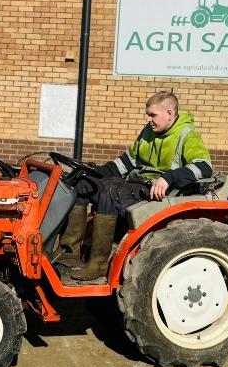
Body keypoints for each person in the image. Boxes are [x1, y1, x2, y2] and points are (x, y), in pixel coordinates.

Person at [62, 91, 213, 281]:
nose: (148, 119)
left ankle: (97, 265)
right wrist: (94, 173)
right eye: (147, 114)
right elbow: (125, 163)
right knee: (84, 184)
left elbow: (204, 166)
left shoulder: (187, 135)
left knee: (109, 192)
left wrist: (168, 178)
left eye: (152, 115)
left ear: (169, 113)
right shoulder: (148, 132)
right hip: (135, 185)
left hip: (155, 194)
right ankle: (69, 253)